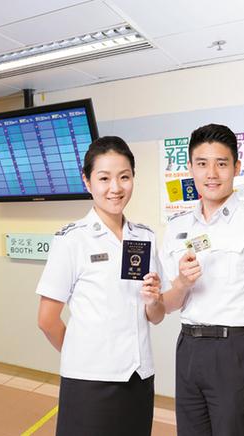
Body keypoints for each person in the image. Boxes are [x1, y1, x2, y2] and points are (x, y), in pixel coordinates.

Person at [160, 124, 244, 436]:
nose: (211, 174)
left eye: (221, 163)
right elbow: (168, 304)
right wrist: (181, 283)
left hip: (234, 349)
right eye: (202, 163)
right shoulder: (177, 228)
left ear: (236, 167)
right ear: (190, 168)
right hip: (188, 347)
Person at [36, 136, 165, 436]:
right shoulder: (72, 240)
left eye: (124, 177)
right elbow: (46, 320)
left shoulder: (144, 237)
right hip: (89, 382)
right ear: (87, 181)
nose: (115, 188)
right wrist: (84, 355)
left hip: (138, 377)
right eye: (104, 178)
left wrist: (153, 301)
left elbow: (156, 316)